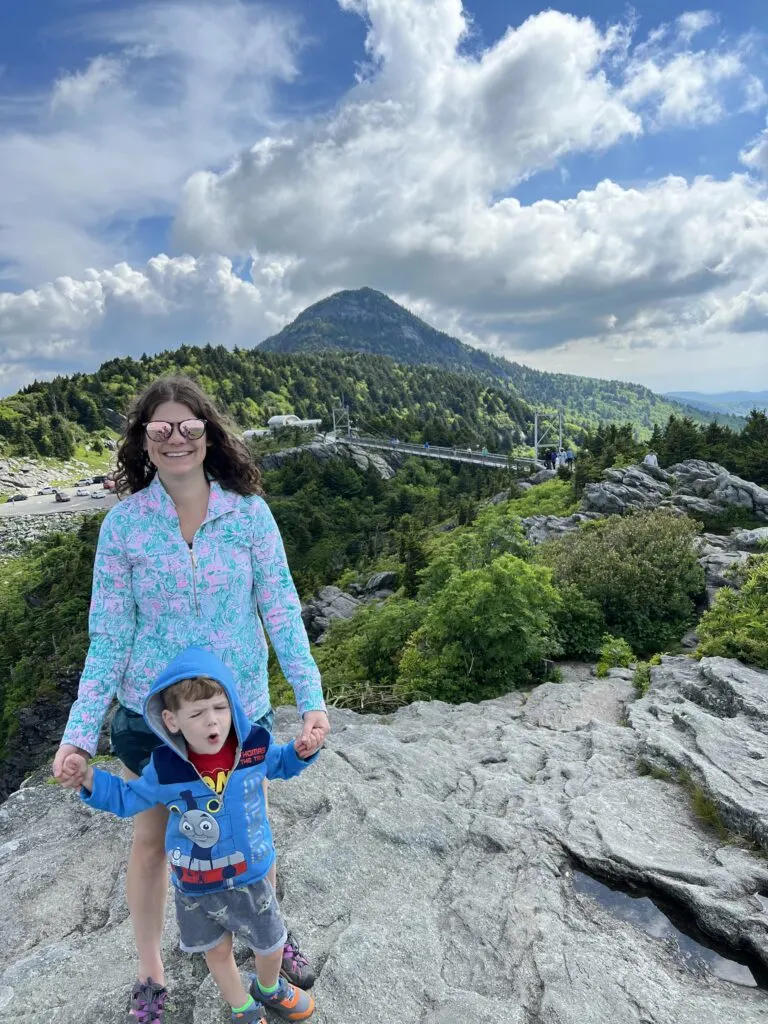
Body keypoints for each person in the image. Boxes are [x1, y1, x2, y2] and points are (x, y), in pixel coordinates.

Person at [53, 375, 329, 1022]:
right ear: (143, 441)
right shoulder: (123, 527)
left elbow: (282, 611)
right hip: (154, 716)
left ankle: (268, 937)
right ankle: (153, 973)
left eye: (188, 428)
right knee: (151, 841)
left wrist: (311, 698)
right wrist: (78, 735)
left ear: (209, 435)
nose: (175, 439)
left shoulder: (249, 514)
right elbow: (110, 635)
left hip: (237, 710)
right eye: (160, 429)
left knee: (250, 825)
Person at [63, 647, 320, 1023]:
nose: (212, 722)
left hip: (252, 876)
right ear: (170, 720)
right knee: (216, 953)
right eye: (197, 714)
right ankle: (242, 1008)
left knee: (271, 944)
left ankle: (269, 988)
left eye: (220, 708)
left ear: (234, 705)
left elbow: (280, 763)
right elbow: (127, 797)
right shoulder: (165, 768)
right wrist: (88, 778)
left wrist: (301, 751)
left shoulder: (253, 746)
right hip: (196, 885)